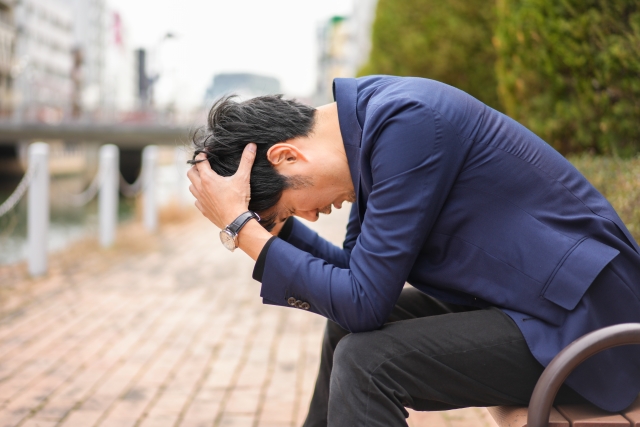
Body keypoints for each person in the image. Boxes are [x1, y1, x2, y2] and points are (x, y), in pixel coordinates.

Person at [187, 76, 640, 427]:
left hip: (587, 325)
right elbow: (356, 285)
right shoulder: (372, 128)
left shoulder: (407, 123)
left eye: (288, 209)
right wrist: (259, 230)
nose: (306, 217)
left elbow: (362, 301)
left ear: (286, 156)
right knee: (342, 333)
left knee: (368, 362)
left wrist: (240, 227)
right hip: (530, 305)